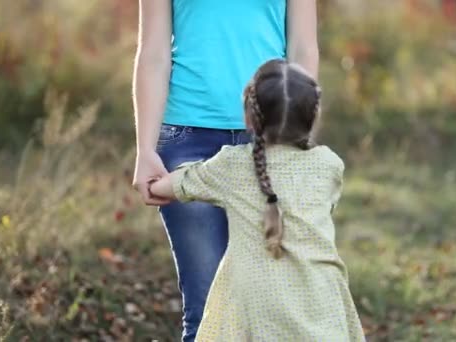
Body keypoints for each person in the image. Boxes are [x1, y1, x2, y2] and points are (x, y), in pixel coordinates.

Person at [131, 1, 318, 340]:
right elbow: (153, 52)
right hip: (186, 139)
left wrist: (296, 140)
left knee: (271, 309)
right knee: (207, 312)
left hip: (269, 138)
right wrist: (145, 149)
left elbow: (303, 47)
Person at [149, 59, 365, 341]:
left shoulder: (232, 165)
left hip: (256, 305)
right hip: (319, 298)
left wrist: (152, 178)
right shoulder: (328, 166)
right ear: (313, 117)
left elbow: (168, 187)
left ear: (249, 117)